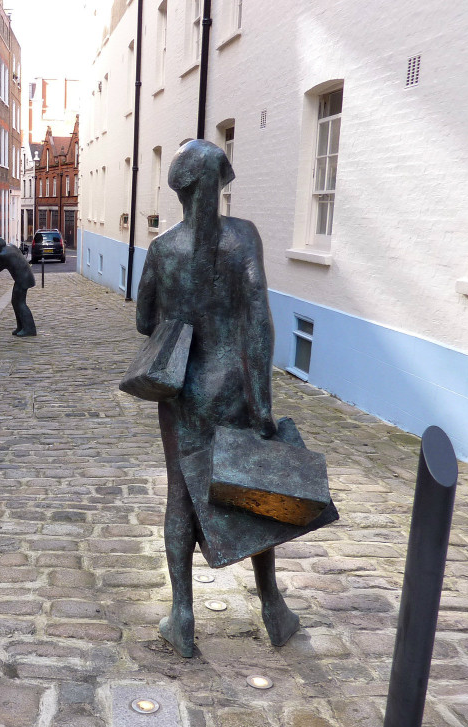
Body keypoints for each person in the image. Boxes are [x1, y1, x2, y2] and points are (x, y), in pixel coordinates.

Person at [135, 140, 299, 657]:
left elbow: (144, 321)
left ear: (180, 190)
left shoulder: (163, 249)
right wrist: (263, 402)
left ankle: (183, 616)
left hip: (186, 389)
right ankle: (271, 604)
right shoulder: (243, 237)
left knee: (180, 495)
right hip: (236, 384)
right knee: (252, 488)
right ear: (222, 183)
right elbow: (258, 319)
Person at [0, 237, 37, 337]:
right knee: (15, 302)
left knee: (20, 303)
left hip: (23, 280)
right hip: (24, 277)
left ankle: (29, 329)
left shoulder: (3, 255)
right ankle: (21, 326)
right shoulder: (11, 246)